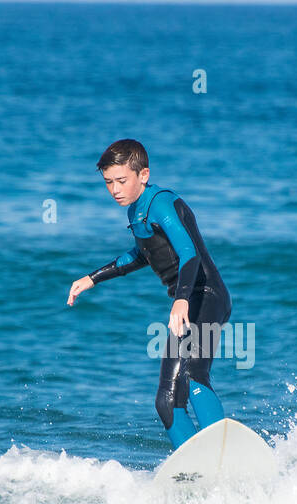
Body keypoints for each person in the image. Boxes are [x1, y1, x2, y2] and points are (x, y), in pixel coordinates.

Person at [67, 139, 232, 449]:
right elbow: (143, 254)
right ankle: (195, 465)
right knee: (166, 401)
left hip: (207, 295)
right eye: (108, 183)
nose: (114, 189)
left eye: (121, 181)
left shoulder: (161, 203)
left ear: (143, 175)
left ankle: (222, 452)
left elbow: (188, 253)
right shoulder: (136, 211)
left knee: (194, 375)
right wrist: (92, 278)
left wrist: (181, 298)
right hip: (185, 303)